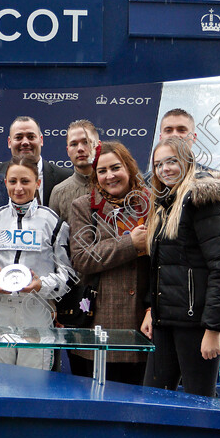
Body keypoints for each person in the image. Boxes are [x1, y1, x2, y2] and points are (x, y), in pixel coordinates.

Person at [141, 138, 220, 396]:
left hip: (197, 325)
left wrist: (213, 329)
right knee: (154, 401)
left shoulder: (203, 201)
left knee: (200, 404)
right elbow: (161, 267)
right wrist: (152, 308)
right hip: (166, 323)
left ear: (187, 162)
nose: (165, 169)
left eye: (172, 161)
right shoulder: (165, 205)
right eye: (158, 164)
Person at [0, 156, 74, 369]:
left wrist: (41, 286)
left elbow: (68, 274)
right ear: (5, 182)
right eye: (13, 181)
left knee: (34, 381)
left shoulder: (53, 222)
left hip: (36, 308)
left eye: (25, 181)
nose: (18, 188)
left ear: (38, 183)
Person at [69, 141, 150, 383]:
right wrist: (130, 245)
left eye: (116, 168)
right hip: (98, 322)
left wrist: (151, 309)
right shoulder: (84, 206)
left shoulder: (150, 203)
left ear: (129, 168)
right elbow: (82, 258)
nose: (109, 176)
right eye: (102, 171)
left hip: (142, 322)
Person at [159, 108, 220, 258]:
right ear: (161, 136)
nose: (175, 134)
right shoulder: (146, 183)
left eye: (182, 130)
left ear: (193, 137)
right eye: (169, 130)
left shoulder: (215, 182)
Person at [0, 116, 71, 206]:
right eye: (19, 137)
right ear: (9, 142)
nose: (25, 142)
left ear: (41, 140)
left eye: (31, 137)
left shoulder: (65, 177)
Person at [50, 119, 99, 223]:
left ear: (98, 145)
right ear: (68, 151)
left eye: (86, 142)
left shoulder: (113, 184)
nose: (80, 149)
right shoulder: (58, 193)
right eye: (74, 144)